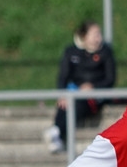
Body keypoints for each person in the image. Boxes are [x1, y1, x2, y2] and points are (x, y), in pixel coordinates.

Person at [43, 20, 117, 155]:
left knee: (77, 103)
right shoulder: (71, 52)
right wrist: (62, 94)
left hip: (95, 97)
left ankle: (56, 131)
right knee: (66, 102)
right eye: (95, 34)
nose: (98, 38)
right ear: (84, 36)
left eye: (99, 34)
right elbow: (63, 77)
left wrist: (93, 87)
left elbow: (110, 79)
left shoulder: (106, 52)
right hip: (74, 93)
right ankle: (57, 132)